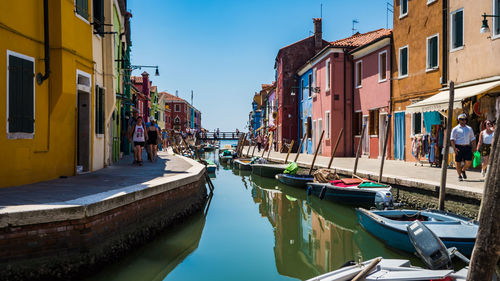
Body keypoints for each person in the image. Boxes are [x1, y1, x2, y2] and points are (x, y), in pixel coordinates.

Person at [450, 113, 476, 181]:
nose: (463, 121)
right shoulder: (455, 129)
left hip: (467, 147)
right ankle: (459, 176)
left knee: (469, 162)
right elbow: (452, 139)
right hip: (458, 147)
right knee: (458, 162)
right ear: (459, 120)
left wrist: (474, 148)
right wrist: (454, 148)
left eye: (465, 119)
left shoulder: (469, 128)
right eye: (462, 119)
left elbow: (473, 139)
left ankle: (463, 170)